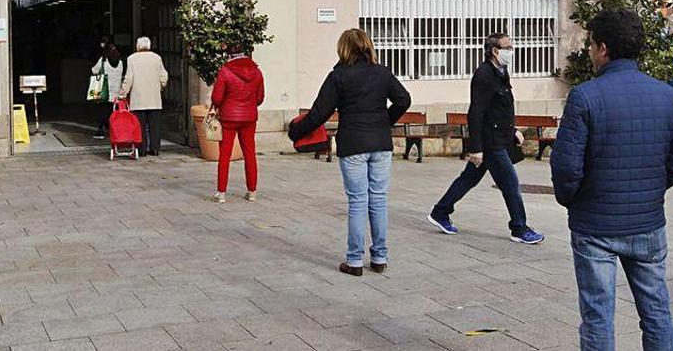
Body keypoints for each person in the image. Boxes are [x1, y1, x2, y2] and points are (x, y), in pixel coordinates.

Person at [551, 10, 673, 351]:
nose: (588, 51)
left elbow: (567, 168)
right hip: (647, 223)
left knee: (598, 314)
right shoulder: (668, 97)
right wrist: (649, 190)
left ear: (602, 48)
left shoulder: (585, 96)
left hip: (595, 225)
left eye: (590, 45)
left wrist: (576, 199)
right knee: (657, 311)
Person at [289, 29, 411, 277]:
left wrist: (296, 132)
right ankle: (379, 257)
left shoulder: (338, 76)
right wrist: (385, 122)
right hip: (380, 144)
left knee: (358, 201)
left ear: (343, 48)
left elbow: (319, 113)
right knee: (378, 200)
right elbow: (404, 99)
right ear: (368, 46)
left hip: (353, 144)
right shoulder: (382, 73)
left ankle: (354, 261)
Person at [427, 33, 546, 245]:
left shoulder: (501, 72)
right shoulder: (484, 75)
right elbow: (477, 112)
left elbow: (500, 108)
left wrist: (513, 130)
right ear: (495, 51)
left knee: (468, 179)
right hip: (491, 143)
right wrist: (476, 148)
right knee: (510, 183)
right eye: (508, 47)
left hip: (499, 136)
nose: (512, 50)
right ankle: (519, 227)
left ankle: (440, 211)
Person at [210, 44, 265, 203]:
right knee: (249, 153)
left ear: (229, 55)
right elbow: (260, 98)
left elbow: (217, 98)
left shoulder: (225, 71)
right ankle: (252, 191)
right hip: (249, 117)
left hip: (228, 118)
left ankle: (221, 193)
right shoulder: (257, 72)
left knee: (225, 155)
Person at [119, 37, 169, 156]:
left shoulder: (132, 59)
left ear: (137, 46)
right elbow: (164, 75)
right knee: (154, 125)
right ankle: (155, 148)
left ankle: (141, 150)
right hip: (154, 97)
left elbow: (128, 78)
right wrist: (161, 87)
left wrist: (123, 93)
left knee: (139, 125)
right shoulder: (157, 58)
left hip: (138, 98)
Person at [90, 42, 125, 139]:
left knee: (102, 111)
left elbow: (94, 70)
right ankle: (113, 130)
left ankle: (100, 131)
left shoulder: (103, 60)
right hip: (116, 92)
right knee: (113, 111)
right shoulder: (121, 62)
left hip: (104, 90)